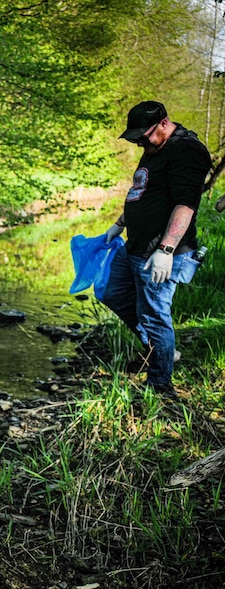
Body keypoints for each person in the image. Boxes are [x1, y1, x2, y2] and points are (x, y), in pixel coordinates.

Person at [100, 100, 211, 397]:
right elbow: (142, 192)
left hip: (159, 252)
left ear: (163, 123)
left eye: (143, 136)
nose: (139, 142)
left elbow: (186, 204)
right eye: (134, 137)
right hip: (134, 245)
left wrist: (166, 249)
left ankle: (160, 387)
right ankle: (159, 349)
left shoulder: (186, 150)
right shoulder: (154, 147)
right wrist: (119, 224)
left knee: (155, 316)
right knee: (111, 292)